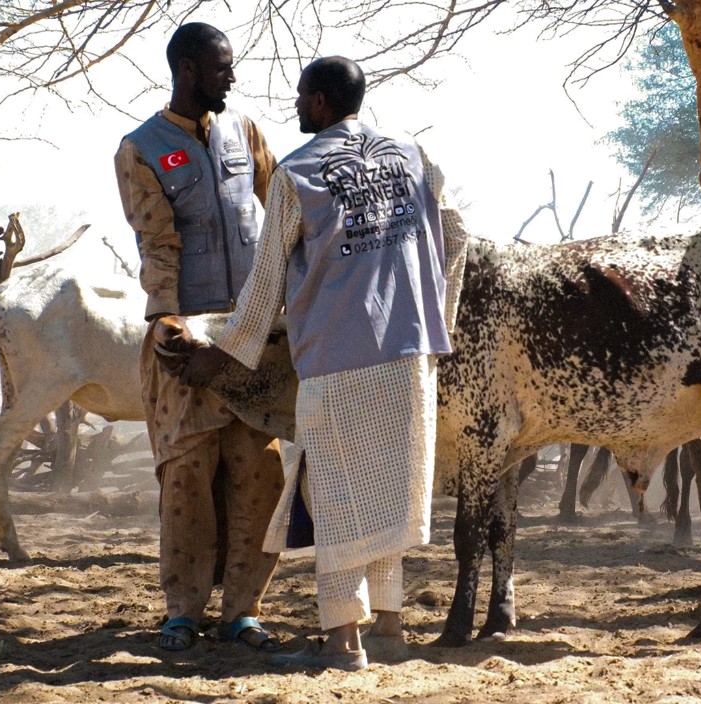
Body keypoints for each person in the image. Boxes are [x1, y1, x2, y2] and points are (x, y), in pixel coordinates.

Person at [204, 55, 468, 671]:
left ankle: (341, 641)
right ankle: (391, 631)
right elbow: (456, 236)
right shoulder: (414, 154)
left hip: (337, 358)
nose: (296, 107)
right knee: (387, 491)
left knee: (336, 495)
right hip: (410, 352)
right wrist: (436, 317)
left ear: (321, 102)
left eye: (301, 97)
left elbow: (267, 280)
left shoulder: (295, 174)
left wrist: (223, 355)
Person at [113, 21, 285, 653]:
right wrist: (168, 320)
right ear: (188, 70)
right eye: (221, 68)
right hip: (186, 341)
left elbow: (284, 217)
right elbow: (157, 244)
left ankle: (244, 612)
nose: (231, 78)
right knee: (186, 475)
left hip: (251, 341)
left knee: (258, 475)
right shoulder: (142, 148)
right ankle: (182, 612)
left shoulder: (247, 133)